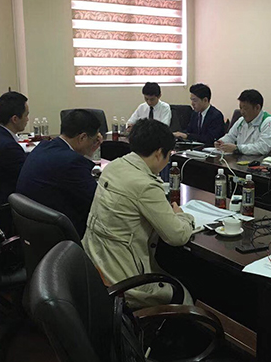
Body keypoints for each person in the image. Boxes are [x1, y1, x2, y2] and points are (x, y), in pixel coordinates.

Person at [83, 119, 195, 308]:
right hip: (123, 280)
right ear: (159, 153)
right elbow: (177, 236)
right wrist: (183, 215)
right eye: (168, 155)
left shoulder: (114, 166)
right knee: (184, 290)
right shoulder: (145, 185)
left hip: (94, 266)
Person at [16, 109, 103, 237]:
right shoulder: (71, 162)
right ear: (83, 137)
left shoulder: (43, 146)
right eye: (94, 140)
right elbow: (97, 201)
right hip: (61, 234)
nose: (94, 143)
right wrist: (90, 154)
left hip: (33, 230)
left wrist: (89, 150)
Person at [215, 89, 271, 155]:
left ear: (257, 107)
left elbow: (263, 148)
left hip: (265, 160)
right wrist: (221, 142)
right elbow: (231, 136)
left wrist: (237, 148)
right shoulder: (241, 120)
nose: (242, 112)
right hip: (243, 158)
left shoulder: (269, 123)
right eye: (240, 108)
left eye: (245, 108)